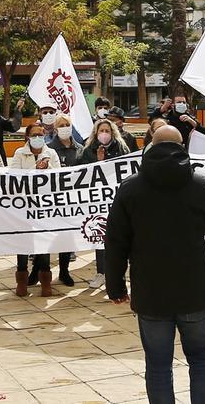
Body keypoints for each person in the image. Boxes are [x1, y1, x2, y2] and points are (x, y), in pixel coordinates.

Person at [105, 124, 205, 404]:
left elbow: (116, 240)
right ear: (182, 147)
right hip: (193, 287)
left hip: (151, 288)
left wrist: (115, 285)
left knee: (158, 365)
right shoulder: (199, 183)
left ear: (150, 146)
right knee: (202, 359)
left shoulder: (131, 187)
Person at [9, 122, 61, 297]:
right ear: (28, 137)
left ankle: (45, 281)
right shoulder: (19, 153)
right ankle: (21, 280)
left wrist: (48, 168)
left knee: (43, 244)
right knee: (23, 244)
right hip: (24, 206)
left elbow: (59, 178)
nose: (38, 138)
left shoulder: (51, 153)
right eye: (34, 135)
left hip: (44, 206)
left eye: (41, 134)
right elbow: (14, 178)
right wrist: (34, 169)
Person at [79, 119, 130, 289]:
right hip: (97, 201)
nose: (104, 134)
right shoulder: (88, 151)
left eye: (107, 130)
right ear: (96, 133)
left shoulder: (122, 149)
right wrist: (98, 161)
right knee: (100, 238)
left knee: (118, 239)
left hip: (117, 200)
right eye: (101, 130)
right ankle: (101, 273)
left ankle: (119, 274)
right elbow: (83, 174)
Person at [44, 114, 81, 287]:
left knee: (67, 235)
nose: (65, 127)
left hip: (72, 199)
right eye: (61, 125)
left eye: (67, 124)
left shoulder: (80, 149)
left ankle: (64, 271)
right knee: (46, 236)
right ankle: (40, 270)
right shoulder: (49, 149)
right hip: (52, 198)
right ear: (56, 128)